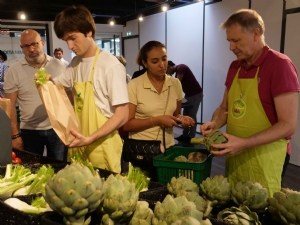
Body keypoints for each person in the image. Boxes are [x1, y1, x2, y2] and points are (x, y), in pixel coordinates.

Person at [200, 9, 299, 196]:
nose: (231, 47)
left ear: (256, 34)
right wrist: (215, 123)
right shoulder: (234, 66)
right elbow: (224, 108)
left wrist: (244, 143)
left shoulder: (280, 65)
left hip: (265, 159)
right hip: (236, 155)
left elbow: (288, 125)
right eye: (229, 41)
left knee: (261, 209)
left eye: (236, 40)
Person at [53, 5, 129, 173]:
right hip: (79, 144)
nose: (69, 46)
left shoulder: (110, 65)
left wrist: (90, 138)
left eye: (72, 38)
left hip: (102, 147)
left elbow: (123, 114)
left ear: (88, 32)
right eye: (66, 40)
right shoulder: (75, 64)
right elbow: (56, 86)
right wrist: (42, 80)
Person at [122, 40, 195, 178]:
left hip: (168, 150)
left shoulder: (175, 83)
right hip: (142, 151)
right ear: (145, 63)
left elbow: (175, 115)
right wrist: (157, 120)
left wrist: (181, 119)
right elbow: (127, 125)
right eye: (155, 61)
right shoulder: (134, 85)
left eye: (164, 59)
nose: (162, 65)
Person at [3, 29, 67, 161]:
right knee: (31, 169)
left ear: (42, 43)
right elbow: (10, 106)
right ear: (21, 48)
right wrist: (15, 136)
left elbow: (67, 98)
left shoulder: (58, 66)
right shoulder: (13, 71)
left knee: (59, 168)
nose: (31, 49)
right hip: (29, 130)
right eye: (26, 46)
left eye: (34, 44)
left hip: (57, 128)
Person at [167, 60, 203, 144]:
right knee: (186, 115)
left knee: (191, 115)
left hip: (195, 95)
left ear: (169, 66)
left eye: (166, 70)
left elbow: (177, 82)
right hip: (189, 95)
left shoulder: (181, 67)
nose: (167, 72)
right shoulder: (178, 71)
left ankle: (191, 137)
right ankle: (185, 135)